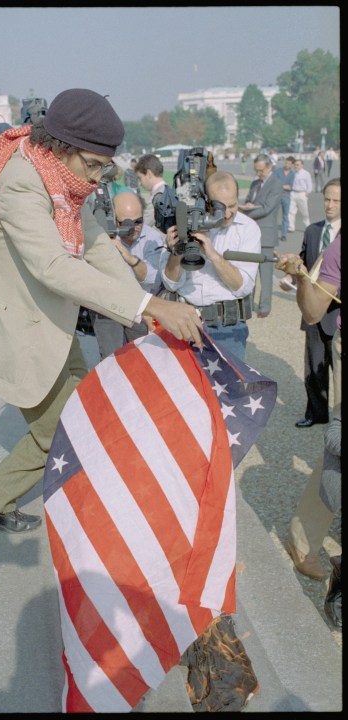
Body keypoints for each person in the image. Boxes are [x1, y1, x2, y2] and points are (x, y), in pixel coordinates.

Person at [0, 88, 204, 533]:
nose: (100, 178)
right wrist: (146, 303)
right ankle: (49, 516)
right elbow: (54, 266)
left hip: (49, 323)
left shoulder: (60, 175)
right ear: (61, 146)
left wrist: (143, 308)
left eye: (106, 167)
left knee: (83, 417)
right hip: (18, 328)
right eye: (94, 164)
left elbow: (97, 244)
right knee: (69, 433)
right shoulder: (23, 181)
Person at [275, 229, 341, 580]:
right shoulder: (339, 246)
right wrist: (302, 278)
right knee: (340, 448)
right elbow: (314, 312)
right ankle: (303, 538)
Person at [160, 171, 261, 360]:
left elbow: (242, 287)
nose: (228, 213)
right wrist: (177, 251)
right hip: (186, 324)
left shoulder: (248, 228)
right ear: (206, 201)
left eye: (233, 205)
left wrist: (213, 255)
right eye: (221, 207)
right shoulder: (184, 221)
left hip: (227, 328)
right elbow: (171, 284)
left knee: (229, 388)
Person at [279, 178, 341, 428]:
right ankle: (316, 413)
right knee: (313, 367)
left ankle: (338, 417)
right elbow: (303, 263)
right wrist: (289, 277)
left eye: (336, 200)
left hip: (336, 312)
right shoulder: (313, 230)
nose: (330, 205)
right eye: (327, 199)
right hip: (312, 310)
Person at [89, 190, 167, 359]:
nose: (134, 227)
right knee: (111, 359)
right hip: (109, 306)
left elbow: (153, 279)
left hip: (140, 308)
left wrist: (130, 259)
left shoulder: (152, 238)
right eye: (127, 223)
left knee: (145, 358)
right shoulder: (100, 235)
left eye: (139, 221)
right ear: (114, 220)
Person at [238, 153, 283, 318]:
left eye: (261, 170)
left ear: (269, 167)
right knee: (249, 271)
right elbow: (251, 200)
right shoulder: (255, 183)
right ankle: (248, 305)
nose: (258, 174)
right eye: (256, 170)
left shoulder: (276, 184)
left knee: (265, 275)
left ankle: (264, 307)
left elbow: (267, 208)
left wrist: (246, 211)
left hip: (266, 233)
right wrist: (246, 205)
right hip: (251, 233)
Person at [134, 153, 167, 228]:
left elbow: (142, 226)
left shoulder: (159, 195)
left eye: (140, 178)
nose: (140, 183)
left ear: (149, 174)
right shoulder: (165, 191)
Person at [273, 155, 296, 242]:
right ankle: (273, 234)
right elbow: (274, 183)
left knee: (285, 216)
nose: (287, 165)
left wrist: (281, 186)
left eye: (289, 163)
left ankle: (283, 234)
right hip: (277, 195)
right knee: (274, 215)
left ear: (291, 165)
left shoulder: (292, 174)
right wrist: (284, 186)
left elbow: (290, 187)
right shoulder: (278, 171)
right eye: (286, 163)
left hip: (286, 196)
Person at [288, 158, 313, 232]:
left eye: (298, 165)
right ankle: (291, 227)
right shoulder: (292, 173)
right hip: (293, 193)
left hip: (302, 193)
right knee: (291, 211)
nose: (296, 166)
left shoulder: (306, 173)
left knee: (304, 211)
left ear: (302, 165)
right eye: (295, 165)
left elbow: (309, 184)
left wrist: (307, 192)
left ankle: (308, 226)